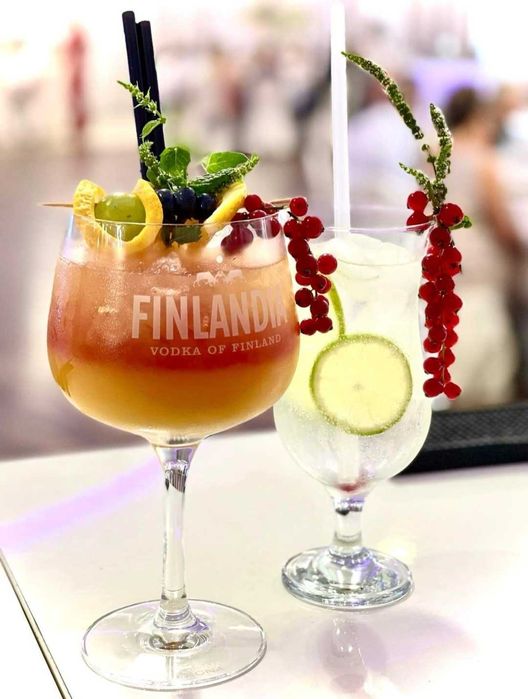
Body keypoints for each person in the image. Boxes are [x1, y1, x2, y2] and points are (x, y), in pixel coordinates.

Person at [444, 87, 524, 407]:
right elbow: (501, 221)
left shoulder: (433, 154)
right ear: (479, 117)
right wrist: (518, 247)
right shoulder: (483, 160)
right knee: (485, 345)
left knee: (451, 334)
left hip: (443, 253)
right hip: (477, 260)